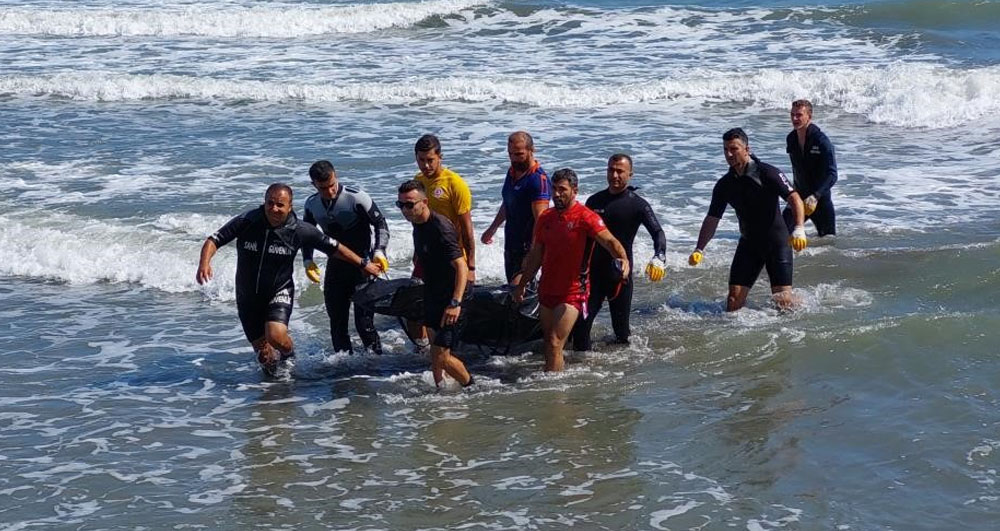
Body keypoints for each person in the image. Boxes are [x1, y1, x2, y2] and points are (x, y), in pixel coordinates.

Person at [196, 183, 381, 375]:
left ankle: (290, 355)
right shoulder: (249, 220)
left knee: (276, 336)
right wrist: (204, 263)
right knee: (266, 359)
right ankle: (276, 397)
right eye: (270, 203)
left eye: (280, 205)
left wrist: (363, 264)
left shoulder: (300, 230)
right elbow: (214, 240)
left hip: (279, 290)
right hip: (247, 295)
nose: (274, 209)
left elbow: (335, 248)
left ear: (290, 207)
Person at [512, 169, 629, 372]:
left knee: (555, 341)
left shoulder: (586, 217)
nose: (556, 194)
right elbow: (536, 255)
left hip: (574, 291)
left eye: (562, 190)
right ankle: (555, 378)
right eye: (554, 189)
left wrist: (623, 259)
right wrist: (522, 285)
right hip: (547, 289)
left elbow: (610, 241)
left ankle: (555, 394)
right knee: (550, 343)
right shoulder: (545, 218)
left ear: (574, 190)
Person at [688, 128, 808, 312]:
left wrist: (799, 227)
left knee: (784, 305)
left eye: (734, 149)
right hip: (749, 244)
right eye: (726, 150)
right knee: (733, 302)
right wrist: (699, 248)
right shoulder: (725, 185)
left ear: (747, 149)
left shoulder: (767, 173)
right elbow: (712, 219)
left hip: (777, 243)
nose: (729, 154)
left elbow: (794, 198)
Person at [572, 153, 667, 350]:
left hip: (619, 278)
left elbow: (658, 233)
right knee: (580, 329)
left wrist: (659, 257)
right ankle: (583, 371)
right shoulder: (594, 201)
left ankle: (620, 374)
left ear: (630, 174)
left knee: (622, 335)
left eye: (620, 171)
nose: (614, 175)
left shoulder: (637, 205)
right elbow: (583, 238)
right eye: (610, 170)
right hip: (593, 277)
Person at [301, 160, 390, 354]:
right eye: (323, 188)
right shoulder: (311, 204)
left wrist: (379, 251)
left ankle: (375, 366)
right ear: (314, 184)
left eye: (332, 185)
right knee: (337, 325)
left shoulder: (356, 198)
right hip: (336, 269)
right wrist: (307, 260)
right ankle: (344, 372)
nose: (330, 191)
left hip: (364, 267)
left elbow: (381, 224)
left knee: (364, 325)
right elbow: (306, 235)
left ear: (336, 176)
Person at [397, 179, 474, 388]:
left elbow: (461, 266)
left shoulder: (441, 228)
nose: (405, 210)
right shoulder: (416, 223)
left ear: (425, 202)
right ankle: (441, 390)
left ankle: (472, 388)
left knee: (443, 356)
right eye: (400, 205)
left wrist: (455, 303)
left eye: (409, 204)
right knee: (435, 352)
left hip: (453, 296)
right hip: (432, 292)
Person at [407, 134, 476, 351]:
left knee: (449, 312)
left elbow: (467, 228)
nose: (426, 165)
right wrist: (417, 252)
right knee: (413, 306)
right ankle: (423, 349)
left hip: (451, 257)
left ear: (440, 157)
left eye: (430, 160)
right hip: (426, 255)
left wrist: (471, 265)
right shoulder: (418, 181)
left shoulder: (455, 184)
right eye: (421, 160)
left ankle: (446, 353)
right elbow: (416, 220)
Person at [480, 131, 550, 283]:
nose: (513, 159)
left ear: (532, 150)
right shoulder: (512, 172)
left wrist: (532, 254)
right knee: (513, 289)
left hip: (527, 246)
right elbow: (509, 203)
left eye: (519, 154)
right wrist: (492, 229)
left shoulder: (537, 180)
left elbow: (541, 222)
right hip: (511, 242)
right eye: (510, 154)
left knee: (518, 289)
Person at [783, 99, 838, 237]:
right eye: (792, 114)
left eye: (799, 115)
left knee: (827, 243)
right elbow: (796, 170)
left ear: (809, 117)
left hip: (820, 201)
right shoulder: (791, 138)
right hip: (799, 198)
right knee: (781, 234)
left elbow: (832, 174)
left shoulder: (821, 141)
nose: (795, 118)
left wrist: (815, 196)